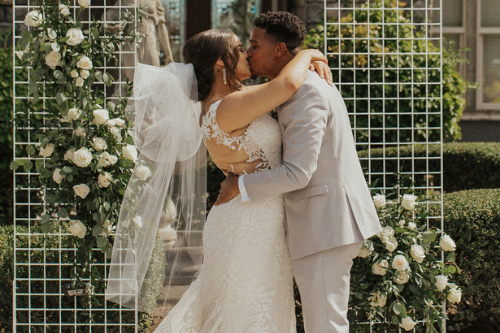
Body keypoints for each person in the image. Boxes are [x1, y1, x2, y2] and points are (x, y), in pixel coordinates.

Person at [106, 27, 331, 332]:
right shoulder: (228, 107)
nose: (247, 53)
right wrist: (308, 54)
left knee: (242, 311)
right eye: (240, 48)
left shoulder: (223, 104)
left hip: (249, 218)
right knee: (245, 314)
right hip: (249, 224)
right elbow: (288, 83)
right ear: (220, 65)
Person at [216, 12, 383, 333]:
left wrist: (241, 185)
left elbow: (298, 173)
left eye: (254, 45)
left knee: (326, 325)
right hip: (323, 222)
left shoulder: (306, 94)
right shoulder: (294, 88)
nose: (248, 52)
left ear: (279, 50)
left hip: (325, 224)